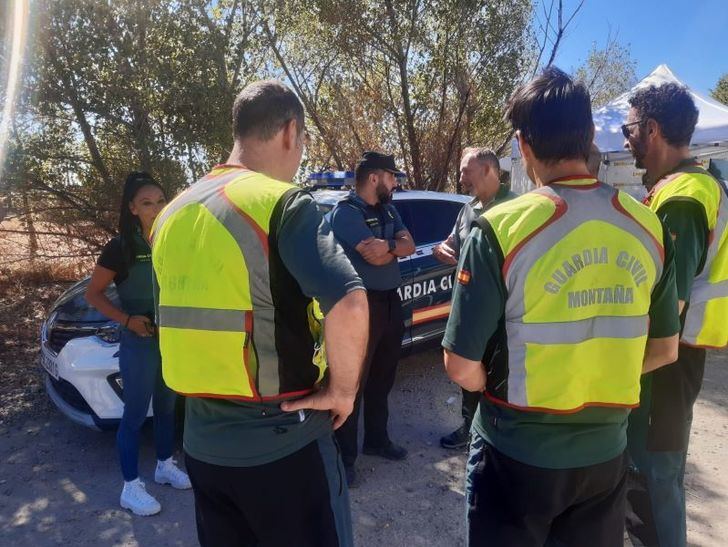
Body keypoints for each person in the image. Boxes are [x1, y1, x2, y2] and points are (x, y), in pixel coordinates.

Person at [442, 67, 681, 546]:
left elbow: (460, 365)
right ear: (590, 134)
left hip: (514, 454)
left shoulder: (499, 229)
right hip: (605, 456)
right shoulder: (648, 227)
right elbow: (666, 349)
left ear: (522, 145)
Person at [151, 80, 369, 547]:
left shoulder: (171, 214)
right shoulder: (281, 202)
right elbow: (349, 301)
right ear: (290, 132)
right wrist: (343, 392)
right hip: (284, 442)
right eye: (303, 142)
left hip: (203, 448)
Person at [623, 82, 728, 547]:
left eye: (630, 129)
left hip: (667, 357)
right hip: (677, 353)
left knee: (657, 473)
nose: (627, 140)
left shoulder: (683, 198)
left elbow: (671, 301)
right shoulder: (689, 186)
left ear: (652, 129)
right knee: (653, 470)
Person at [85, 172, 190, 516]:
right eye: (147, 203)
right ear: (132, 208)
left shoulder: (170, 238)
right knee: (133, 416)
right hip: (138, 340)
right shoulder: (120, 248)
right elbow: (93, 294)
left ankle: (163, 465)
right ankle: (130, 487)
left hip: (169, 338)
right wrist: (128, 321)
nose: (156, 208)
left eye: (160, 201)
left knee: (166, 408)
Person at [329, 151, 416, 486]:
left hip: (391, 304)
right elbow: (374, 257)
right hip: (361, 308)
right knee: (353, 383)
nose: (395, 182)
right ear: (375, 177)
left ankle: (377, 440)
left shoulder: (389, 208)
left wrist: (391, 246)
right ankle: (344, 458)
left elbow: (408, 245)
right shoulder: (345, 213)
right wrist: (395, 246)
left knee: (383, 378)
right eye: (392, 177)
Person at [434, 147, 516, 449]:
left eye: (465, 170)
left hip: (505, 317)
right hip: (470, 311)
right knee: (468, 372)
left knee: (501, 379)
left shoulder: (517, 207)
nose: (460, 177)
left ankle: (499, 436)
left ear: (487, 170)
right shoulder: (467, 209)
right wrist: (441, 250)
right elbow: (452, 243)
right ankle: (470, 428)